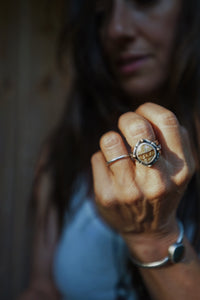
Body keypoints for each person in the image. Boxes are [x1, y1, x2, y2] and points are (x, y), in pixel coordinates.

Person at [19, 0, 200, 299]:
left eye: (144, 2)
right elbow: (43, 287)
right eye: (102, 12)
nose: (116, 29)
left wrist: (152, 236)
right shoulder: (63, 150)